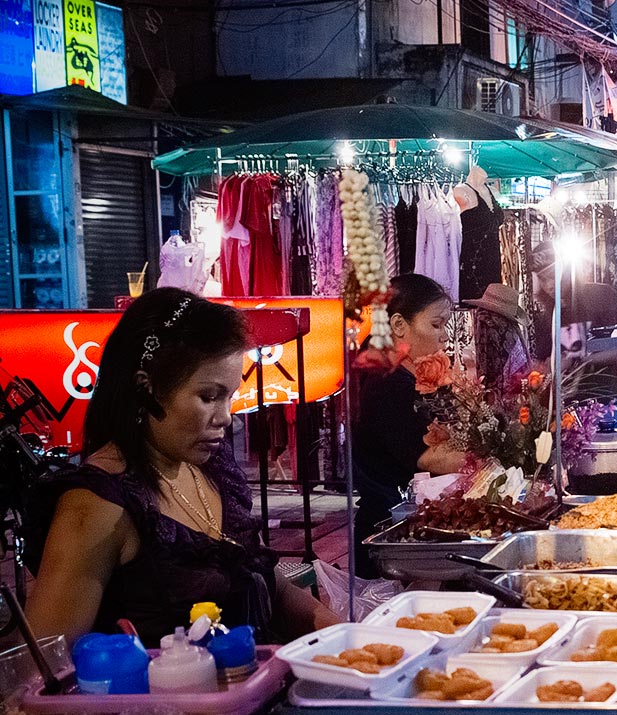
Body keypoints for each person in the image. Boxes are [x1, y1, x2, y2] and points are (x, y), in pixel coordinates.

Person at [26, 289, 338, 647]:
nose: (225, 417)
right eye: (209, 397)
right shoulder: (97, 505)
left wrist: (331, 626)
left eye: (229, 396)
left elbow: (261, 576)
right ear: (147, 390)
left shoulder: (210, 469)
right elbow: (46, 667)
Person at [351, 273, 459, 575]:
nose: (444, 336)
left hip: (401, 525)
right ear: (399, 325)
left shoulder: (401, 374)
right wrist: (494, 455)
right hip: (388, 535)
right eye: (436, 324)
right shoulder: (386, 381)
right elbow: (431, 458)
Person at [466, 282, 529, 389]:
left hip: (501, 390)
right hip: (514, 387)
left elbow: (487, 367)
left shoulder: (486, 321)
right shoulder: (511, 328)